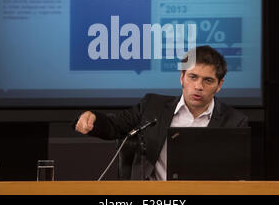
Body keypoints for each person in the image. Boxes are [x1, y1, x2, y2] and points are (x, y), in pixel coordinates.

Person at [74, 45, 248, 180]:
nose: (198, 86)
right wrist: (92, 118)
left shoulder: (234, 121)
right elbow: (114, 126)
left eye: (208, 80)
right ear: (182, 77)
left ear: (219, 85)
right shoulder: (153, 106)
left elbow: (236, 173)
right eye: (193, 77)